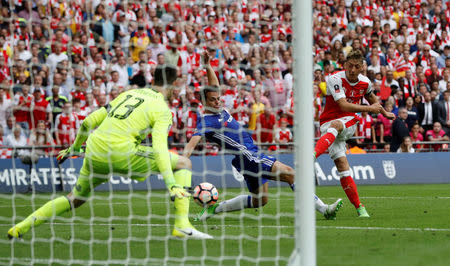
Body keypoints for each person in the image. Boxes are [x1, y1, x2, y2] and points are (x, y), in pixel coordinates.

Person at [8, 65, 212, 240]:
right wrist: (171, 185)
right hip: (122, 153)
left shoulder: (128, 94)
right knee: (184, 164)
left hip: (95, 150)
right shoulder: (161, 108)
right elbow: (159, 147)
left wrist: (76, 147)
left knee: (75, 198)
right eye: (179, 84)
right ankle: (182, 226)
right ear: (173, 83)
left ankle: (20, 227)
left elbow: (89, 121)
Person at [184, 52, 342, 221]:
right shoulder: (206, 121)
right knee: (291, 174)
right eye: (214, 100)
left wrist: (207, 66)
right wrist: (181, 163)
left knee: (260, 200)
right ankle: (325, 209)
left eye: (218, 98)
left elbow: (213, 84)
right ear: (205, 103)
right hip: (249, 156)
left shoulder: (219, 108)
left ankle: (214, 209)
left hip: (245, 158)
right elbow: (191, 144)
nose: (218, 101)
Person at [313, 50, 395, 218]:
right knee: (343, 168)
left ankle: (311, 156)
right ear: (345, 65)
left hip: (348, 121)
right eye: (350, 66)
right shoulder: (335, 79)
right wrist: (369, 109)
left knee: (338, 124)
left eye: (356, 66)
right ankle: (360, 208)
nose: (352, 69)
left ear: (362, 68)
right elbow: (343, 104)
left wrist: (384, 112)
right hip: (327, 124)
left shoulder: (365, 83)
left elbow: (371, 98)